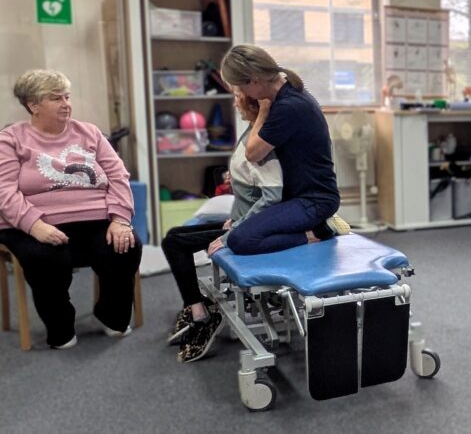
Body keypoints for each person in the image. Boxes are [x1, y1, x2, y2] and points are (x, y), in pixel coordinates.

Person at [161, 44, 349, 362]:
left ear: (252, 82)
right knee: (226, 233)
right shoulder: (286, 96)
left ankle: (319, 231)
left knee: (241, 239)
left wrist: (261, 111)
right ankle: (309, 229)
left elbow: (253, 153)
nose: (237, 95)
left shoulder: (288, 106)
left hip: (314, 202)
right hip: (295, 198)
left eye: (237, 87)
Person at [0, 69, 142, 349]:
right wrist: (35, 225)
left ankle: (112, 315)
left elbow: (118, 176)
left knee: (125, 247)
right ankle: (61, 326)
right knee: (45, 257)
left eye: (66, 96)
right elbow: (4, 191)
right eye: (56, 98)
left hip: (95, 218)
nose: (66, 103)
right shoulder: (10, 139)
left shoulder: (89, 132)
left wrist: (120, 219)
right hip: (31, 223)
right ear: (33, 105)